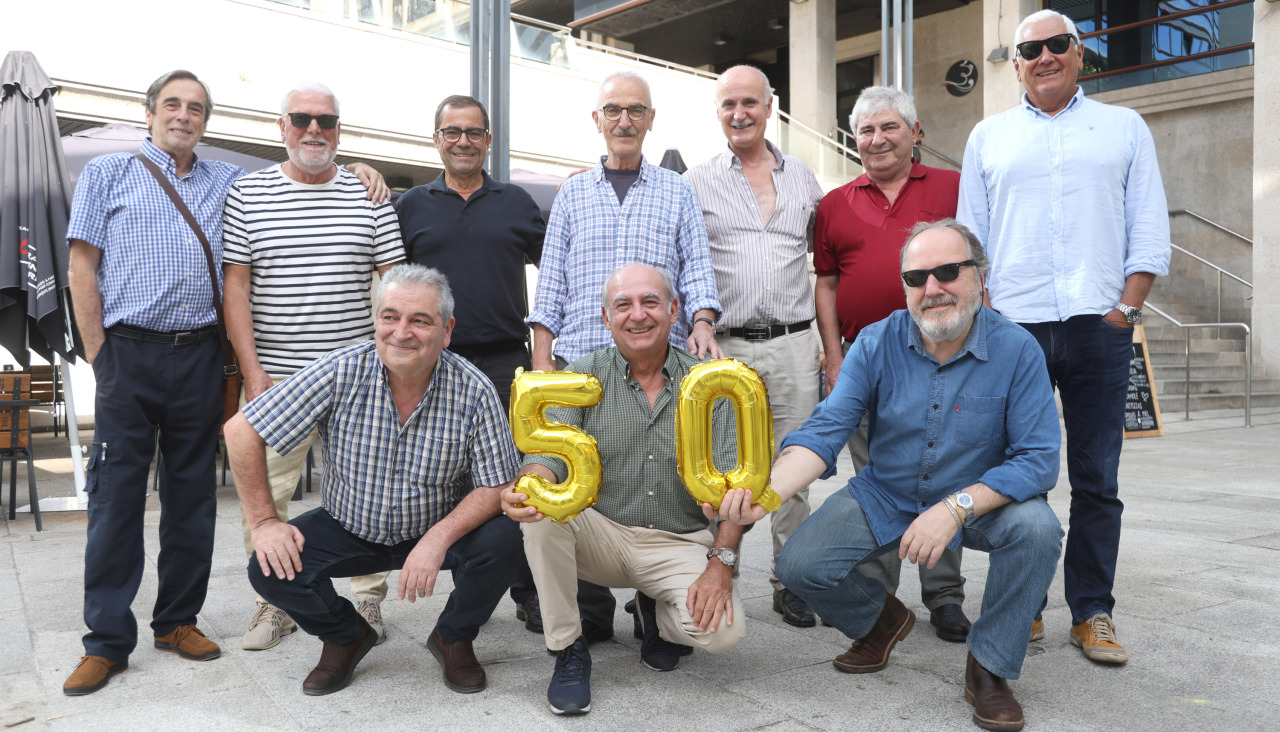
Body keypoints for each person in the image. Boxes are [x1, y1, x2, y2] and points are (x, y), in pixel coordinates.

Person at [715, 220, 1063, 732]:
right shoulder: (876, 343)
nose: (933, 288)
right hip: (890, 493)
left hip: (980, 500)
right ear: (904, 286)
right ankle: (883, 622)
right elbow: (828, 427)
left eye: (948, 271)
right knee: (797, 565)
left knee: (1039, 531)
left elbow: (1037, 460)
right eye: (917, 277)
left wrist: (954, 508)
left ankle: (989, 668)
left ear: (980, 277)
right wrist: (762, 497)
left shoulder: (1018, 350)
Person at [957, 8, 1171, 664]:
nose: (1044, 56)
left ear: (1081, 54)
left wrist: (1125, 311)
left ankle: (1093, 612)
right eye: (1031, 48)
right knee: (1014, 475)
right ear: (1015, 63)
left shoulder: (1124, 127)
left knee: (1096, 477)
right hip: (1013, 328)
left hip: (1097, 324)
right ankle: (1020, 604)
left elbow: (1148, 222)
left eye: (1057, 44)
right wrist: (984, 316)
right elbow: (971, 236)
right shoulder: (987, 136)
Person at [225, 264, 522, 696]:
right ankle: (347, 636)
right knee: (269, 568)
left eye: (420, 320)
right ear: (377, 320)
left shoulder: (473, 388)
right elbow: (241, 430)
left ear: (447, 330)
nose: (402, 332)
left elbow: (496, 485)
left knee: (508, 536)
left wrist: (437, 539)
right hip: (349, 525)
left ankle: (453, 636)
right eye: (390, 317)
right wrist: (265, 522)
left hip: (435, 524)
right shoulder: (342, 370)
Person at [503, 264, 746, 716]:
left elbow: (737, 487)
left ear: (674, 311)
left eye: (650, 302)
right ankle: (568, 649)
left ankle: (655, 612)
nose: (638, 315)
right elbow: (550, 454)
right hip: (604, 534)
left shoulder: (712, 385)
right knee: (541, 514)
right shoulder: (582, 376)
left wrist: (722, 563)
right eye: (624, 305)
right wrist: (528, 483)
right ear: (605, 317)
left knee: (723, 632)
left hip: (679, 538)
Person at [63, 68, 236, 697]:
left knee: (193, 497)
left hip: (198, 357)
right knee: (115, 500)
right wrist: (100, 355)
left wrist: (360, 172)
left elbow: (292, 186)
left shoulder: (228, 182)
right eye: (172, 104)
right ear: (150, 113)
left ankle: (177, 621)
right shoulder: (107, 173)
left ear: (205, 121)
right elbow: (83, 268)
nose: (183, 115)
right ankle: (107, 642)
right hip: (126, 356)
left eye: (195, 107)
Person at [222, 81, 405, 652]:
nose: (313, 130)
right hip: (278, 378)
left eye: (325, 121)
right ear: (281, 127)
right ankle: (274, 602)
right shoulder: (247, 194)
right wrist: (252, 373)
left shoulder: (368, 194)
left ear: (340, 131)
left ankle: (367, 597)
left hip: (357, 382)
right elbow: (236, 291)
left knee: (365, 495)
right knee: (267, 497)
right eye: (301, 119)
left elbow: (394, 284)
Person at [813, 85, 971, 642]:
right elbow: (826, 285)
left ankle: (944, 596)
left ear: (916, 132)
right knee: (875, 479)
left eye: (889, 128)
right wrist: (835, 357)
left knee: (941, 471)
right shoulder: (833, 204)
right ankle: (878, 598)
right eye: (865, 131)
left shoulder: (954, 188)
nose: (876, 140)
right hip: (863, 361)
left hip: (941, 354)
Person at [395, 95, 547, 634]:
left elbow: (556, 268)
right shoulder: (409, 204)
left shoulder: (517, 202)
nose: (463, 141)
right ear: (436, 138)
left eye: (474, 133)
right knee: (453, 478)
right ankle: (470, 586)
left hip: (508, 361)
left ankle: (530, 589)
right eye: (452, 132)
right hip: (436, 364)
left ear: (488, 140)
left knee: (520, 476)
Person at [684, 65, 824, 628]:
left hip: (793, 343)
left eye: (749, 102)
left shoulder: (806, 179)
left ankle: (792, 578)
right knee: (722, 467)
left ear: (771, 106)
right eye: (727, 105)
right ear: (718, 113)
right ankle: (723, 567)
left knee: (795, 465)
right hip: (726, 347)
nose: (738, 113)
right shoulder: (697, 181)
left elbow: (827, 263)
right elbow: (685, 260)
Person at [528, 70, 723, 372]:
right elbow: (551, 284)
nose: (624, 122)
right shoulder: (571, 193)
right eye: (612, 110)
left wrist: (703, 325)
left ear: (650, 118)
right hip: (580, 358)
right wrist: (541, 357)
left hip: (659, 365)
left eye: (635, 110)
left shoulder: (678, 190)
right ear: (597, 119)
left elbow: (697, 272)